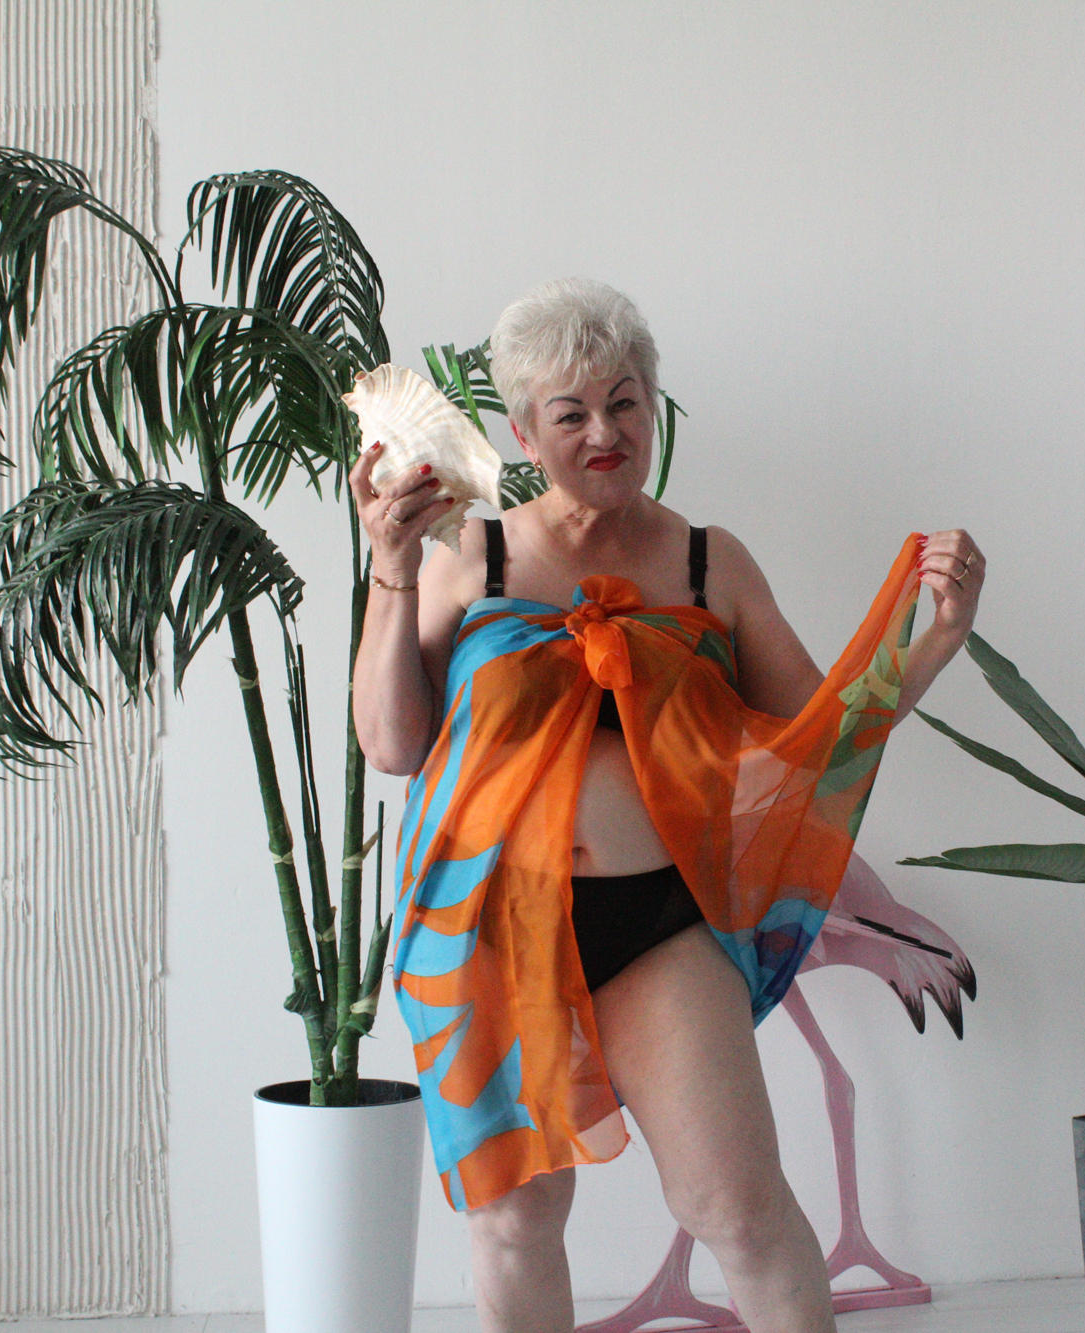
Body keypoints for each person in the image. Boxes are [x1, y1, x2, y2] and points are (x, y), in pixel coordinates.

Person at [349, 278, 984, 1333]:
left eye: (625, 403)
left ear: (652, 406)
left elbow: (818, 735)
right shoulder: (477, 556)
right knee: (516, 1219)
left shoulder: (707, 562)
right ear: (524, 432)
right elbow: (391, 744)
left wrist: (937, 641)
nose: (604, 433)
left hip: (661, 922)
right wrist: (391, 567)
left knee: (741, 1208)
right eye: (571, 413)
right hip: (493, 928)